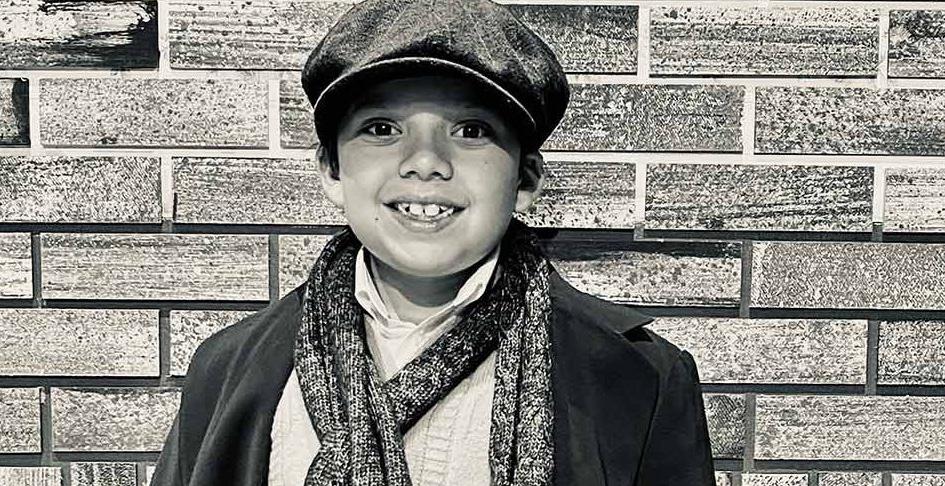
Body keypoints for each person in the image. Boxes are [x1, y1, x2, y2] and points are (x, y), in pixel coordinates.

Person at [151, 0, 715, 484]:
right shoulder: (227, 370)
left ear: (525, 180)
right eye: (381, 129)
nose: (425, 162)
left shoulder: (641, 381)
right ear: (331, 171)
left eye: (471, 131)